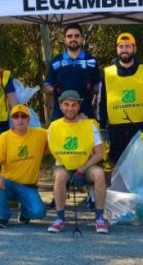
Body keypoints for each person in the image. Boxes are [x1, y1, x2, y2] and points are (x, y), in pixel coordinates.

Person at [47, 91, 109, 234]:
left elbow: (99, 154)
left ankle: (99, 219)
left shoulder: (89, 125)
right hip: (64, 166)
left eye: (74, 105)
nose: (70, 108)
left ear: (79, 106)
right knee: (60, 176)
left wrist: (81, 169)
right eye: (66, 105)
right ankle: (60, 219)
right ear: (61, 106)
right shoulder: (54, 126)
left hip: (85, 166)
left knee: (99, 174)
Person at [96, 33, 143, 165]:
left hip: (140, 128)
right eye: (121, 46)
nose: (124, 49)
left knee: (140, 168)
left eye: (128, 46)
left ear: (134, 49)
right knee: (116, 167)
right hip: (115, 130)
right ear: (117, 49)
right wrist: (102, 127)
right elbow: (101, 102)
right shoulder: (107, 73)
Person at [0, 104, 48, 228]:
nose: (19, 119)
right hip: (8, 184)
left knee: (39, 212)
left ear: (28, 119)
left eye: (23, 116)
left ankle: (25, 212)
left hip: (28, 186)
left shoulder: (40, 134)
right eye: (16, 116)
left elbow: (57, 133)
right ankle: (2, 217)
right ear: (11, 120)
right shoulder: (4, 137)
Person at [45, 23, 100, 122]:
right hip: (60, 113)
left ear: (82, 39)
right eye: (69, 36)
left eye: (76, 36)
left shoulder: (91, 61)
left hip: (85, 112)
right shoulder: (56, 61)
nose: (73, 39)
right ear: (65, 40)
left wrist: (91, 87)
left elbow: (99, 87)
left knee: (87, 137)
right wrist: (55, 90)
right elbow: (47, 86)